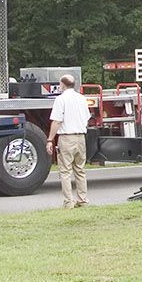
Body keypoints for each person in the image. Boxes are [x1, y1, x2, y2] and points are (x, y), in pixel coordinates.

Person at [47, 74, 92, 208]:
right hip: (80, 137)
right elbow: (87, 117)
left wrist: (50, 139)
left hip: (67, 137)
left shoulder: (60, 99)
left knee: (65, 171)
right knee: (80, 169)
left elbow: (57, 121)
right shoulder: (82, 98)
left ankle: (68, 202)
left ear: (62, 85)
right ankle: (82, 199)